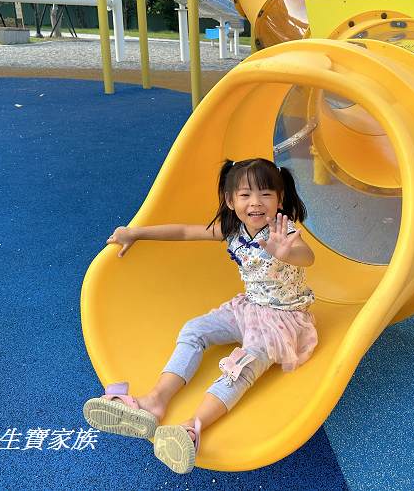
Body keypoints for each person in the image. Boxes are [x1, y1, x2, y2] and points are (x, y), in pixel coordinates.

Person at [82, 158, 318, 474]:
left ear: (279, 198)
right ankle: (155, 401)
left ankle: (192, 428)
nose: (256, 202)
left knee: (241, 366)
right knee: (195, 329)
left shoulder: (282, 231)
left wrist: (288, 253)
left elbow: (308, 257)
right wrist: (135, 232)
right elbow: (183, 230)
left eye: (265, 194)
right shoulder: (233, 229)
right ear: (231, 201)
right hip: (248, 308)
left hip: (282, 319)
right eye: (246, 194)